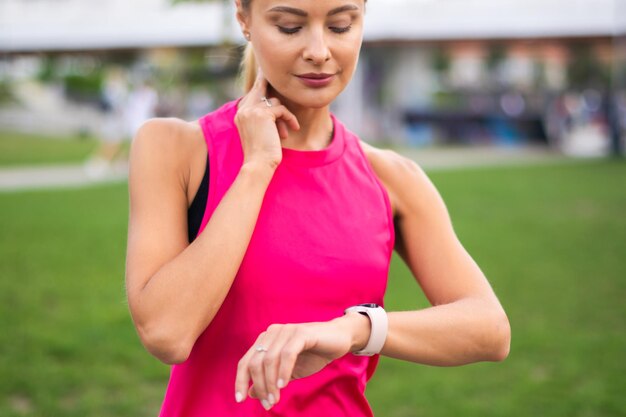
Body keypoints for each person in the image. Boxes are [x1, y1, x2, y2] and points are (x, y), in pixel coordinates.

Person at [124, 1, 511, 416]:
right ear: (244, 18)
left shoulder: (393, 178)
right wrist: (256, 168)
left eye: (341, 26)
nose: (319, 50)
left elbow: (489, 328)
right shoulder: (175, 148)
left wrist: (356, 329)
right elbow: (167, 332)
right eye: (290, 27)